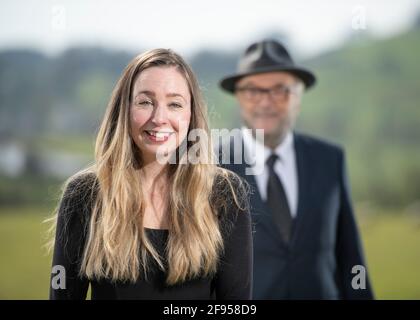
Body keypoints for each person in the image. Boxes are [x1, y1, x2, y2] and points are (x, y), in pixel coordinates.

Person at [47, 48, 253, 300]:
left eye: (175, 104)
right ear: (124, 110)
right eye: (145, 102)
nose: (159, 118)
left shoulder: (224, 193)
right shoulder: (84, 193)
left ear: (191, 115)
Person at [218, 39, 374, 299]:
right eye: (252, 91)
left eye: (280, 90)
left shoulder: (330, 160)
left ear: (297, 97)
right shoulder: (211, 164)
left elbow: (351, 259)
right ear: (238, 98)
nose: (266, 102)